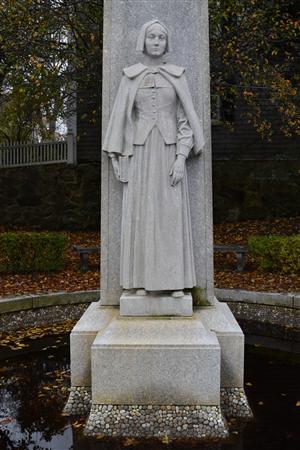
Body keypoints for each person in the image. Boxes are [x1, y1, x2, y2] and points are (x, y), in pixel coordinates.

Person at [103, 20, 204, 298]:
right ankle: (142, 282)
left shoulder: (177, 76)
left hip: (169, 153)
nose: (157, 41)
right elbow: (120, 121)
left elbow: (185, 122)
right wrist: (119, 158)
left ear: (166, 42)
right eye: (152, 37)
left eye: (161, 37)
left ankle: (174, 283)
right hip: (141, 154)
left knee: (170, 217)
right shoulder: (130, 77)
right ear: (143, 41)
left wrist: (181, 158)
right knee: (142, 216)